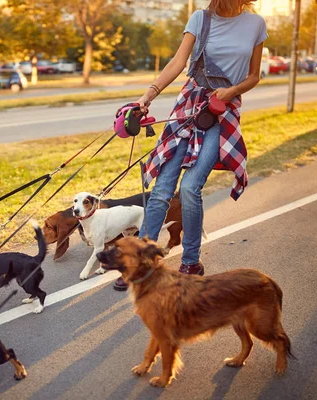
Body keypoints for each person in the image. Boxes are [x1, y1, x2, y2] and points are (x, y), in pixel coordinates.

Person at [113, 0, 267, 291]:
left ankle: (191, 260)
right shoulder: (200, 18)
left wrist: (232, 91)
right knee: (161, 189)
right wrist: (147, 97)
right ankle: (140, 262)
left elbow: (254, 75)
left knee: (189, 186)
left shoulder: (256, 25)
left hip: (222, 111)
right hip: (190, 105)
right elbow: (177, 62)